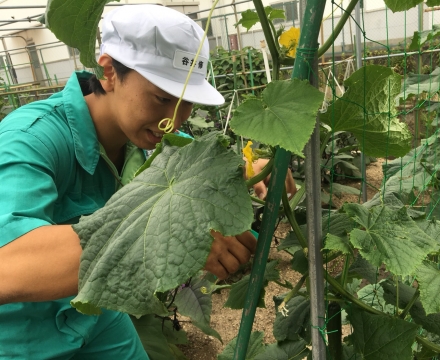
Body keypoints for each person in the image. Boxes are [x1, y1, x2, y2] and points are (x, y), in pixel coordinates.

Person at [0, 4, 296, 359]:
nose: (174, 119)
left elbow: (202, 160)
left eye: (186, 103)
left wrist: (252, 165)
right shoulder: (30, 137)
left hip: (96, 315)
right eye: (162, 98)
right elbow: (8, 267)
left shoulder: (148, 137)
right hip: (21, 333)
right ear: (109, 72)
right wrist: (175, 236)